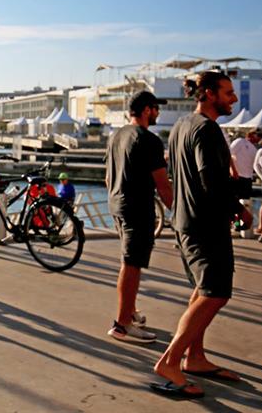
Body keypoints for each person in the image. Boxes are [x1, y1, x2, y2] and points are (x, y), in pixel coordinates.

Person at [151, 71, 253, 399]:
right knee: (216, 292)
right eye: (228, 93)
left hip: (185, 221)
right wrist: (241, 196)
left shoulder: (182, 125)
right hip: (205, 225)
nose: (233, 99)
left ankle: (194, 358)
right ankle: (169, 361)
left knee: (202, 290)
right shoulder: (207, 131)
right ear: (208, 93)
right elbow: (212, 183)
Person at [105, 90, 173, 344]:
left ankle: (130, 312)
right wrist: (178, 213)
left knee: (129, 261)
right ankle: (122, 324)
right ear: (146, 110)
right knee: (132, 265)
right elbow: (163, 185)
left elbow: (108, 176)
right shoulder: (149, 140)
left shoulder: (117, 135)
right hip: (137, 208)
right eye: (156, 108)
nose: (158, 113)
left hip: (118, 205)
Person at [229, 129, 261, 216]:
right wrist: (233, 170)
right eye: (258, 136)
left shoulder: (254, 149)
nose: (259, 138)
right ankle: (232, 224)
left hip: (247, 179)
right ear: (250, 135)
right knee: (233, 203)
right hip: (236, 177)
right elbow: (228, 155)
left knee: (244, 203)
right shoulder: (240, 142)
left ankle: (238, 225)